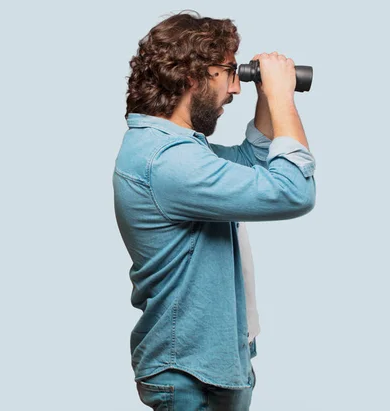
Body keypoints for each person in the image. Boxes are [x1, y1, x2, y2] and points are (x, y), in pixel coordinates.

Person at [113, 10, 316, 410]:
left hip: (212, 363)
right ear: (192, 76)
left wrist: (265, 97)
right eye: (229, 72)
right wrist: (281, 97)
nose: (236, 89)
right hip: (190, 374)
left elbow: (253, 163)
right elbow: (295, 189)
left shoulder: (172, 151)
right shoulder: (168, 162)